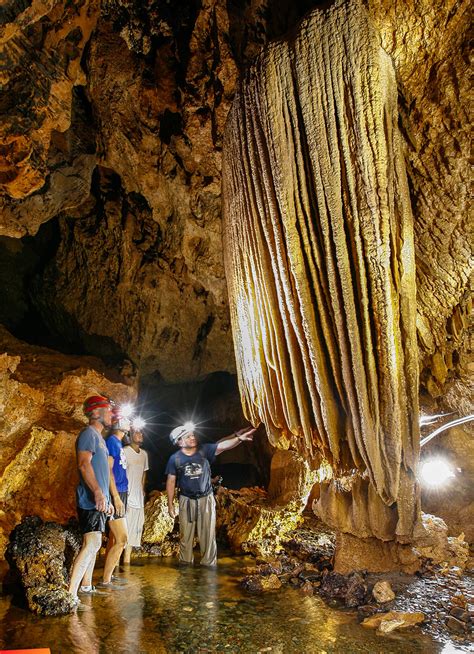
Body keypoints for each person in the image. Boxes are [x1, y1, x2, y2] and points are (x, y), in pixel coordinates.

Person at [166, 424, 256, 567]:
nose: (192, 437)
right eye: (188, 436)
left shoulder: (204, 450)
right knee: (186, 536)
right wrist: (170, 505)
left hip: (205, 498)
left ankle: (208, 567)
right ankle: (185, 566)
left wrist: (238, 438)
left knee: (207, 534)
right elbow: (171, 481)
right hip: (186, 500)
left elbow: (222, 446)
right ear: (180, 442)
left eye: (192, 434)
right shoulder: (175, 459)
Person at [68, 395, 113, 605]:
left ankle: (86, 585)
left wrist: (106, 499)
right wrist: (97, 493)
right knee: (92, 542)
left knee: (95, 544)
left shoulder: (100, 438)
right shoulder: (88, 434)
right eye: (108, 410)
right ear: (96, 413)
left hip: (99, 500)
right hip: (89, 499)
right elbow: (84, 465)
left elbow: (101, 473)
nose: (112, 414)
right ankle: (70, 594)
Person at [99, 405, 130, 587]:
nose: (130, 422)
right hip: (115, 493)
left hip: (121, 492)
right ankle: (105, 581)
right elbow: (108, 470)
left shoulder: (118, 443)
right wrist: (116, 497)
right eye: (126, 419)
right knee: (122, 539)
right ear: (118, 423)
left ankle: (108, 576)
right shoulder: (111, 441)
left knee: (114, 538)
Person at [123, 428, 149, 563]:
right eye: (137, 432)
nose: (140, 434)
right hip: (126, 497)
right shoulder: (125, 451)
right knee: (121, 536)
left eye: (141, 432)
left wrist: (142, 490)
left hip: (138, 498)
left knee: (132, 536)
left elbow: (144, 473)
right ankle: (114, 569)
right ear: (130, 436)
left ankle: (126, 565)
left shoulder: (144, 454)